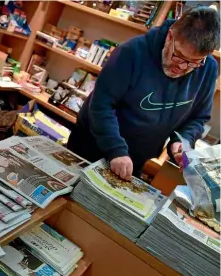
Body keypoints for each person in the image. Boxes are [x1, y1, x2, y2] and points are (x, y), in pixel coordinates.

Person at [67, 7, 219, 180]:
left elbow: (197, 118)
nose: (183, 67)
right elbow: (101, 105)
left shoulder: (208, 69)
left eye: (194, 63)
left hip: (136, 159)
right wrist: (115, 149)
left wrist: (182, 141)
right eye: (179, 56)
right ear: (170, 36)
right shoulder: (131, 52)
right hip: (92, 145)